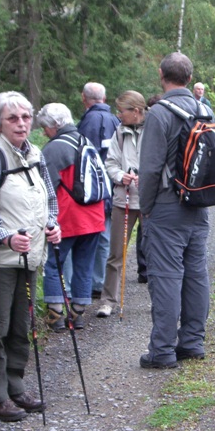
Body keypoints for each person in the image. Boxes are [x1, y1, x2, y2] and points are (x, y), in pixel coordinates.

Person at [0, 91, 61, 422]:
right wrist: (6, 238)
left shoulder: (35, 154)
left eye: (26, 117)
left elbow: (49, 198)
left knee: (21, 325)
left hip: (28, 256)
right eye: (13, 118)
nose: (21, 124)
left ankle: (15, 387)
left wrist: (52, 225)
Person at [138, 52, 211, 368]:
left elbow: (151, 168)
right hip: (199, 204)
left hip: (167, 205)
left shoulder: (159, 113)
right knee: (195, 274)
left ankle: (163, 350)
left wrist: (146, 208)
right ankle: (192, 342)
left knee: (166, 276)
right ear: (190, 79)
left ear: (161, 74)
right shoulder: (204, 110)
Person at [36, 103, 105, 330]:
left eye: (45, 127)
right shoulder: (86, 142)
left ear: (55, 125)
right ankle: (77, 313)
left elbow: (44, 187)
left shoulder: (54, 148)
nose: (44, 132)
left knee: (53, 264)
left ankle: (55, 315)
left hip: (68, 217)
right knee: (84, 265)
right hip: (94, 216)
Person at [96, 91, 146, 317]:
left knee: (156, 253)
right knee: (116, 253)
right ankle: (107, 301)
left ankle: (161, 301)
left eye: (121, 111)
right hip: (123, 199)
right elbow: (111, 162)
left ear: (135, 111)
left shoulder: (153, 128)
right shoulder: (119, 131)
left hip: (149, 199)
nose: (118, 115)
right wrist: (120, 176)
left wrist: (147, 177)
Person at [77, 82, 121, 300]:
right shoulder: (115, 120)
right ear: (104, 98)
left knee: (95, 235)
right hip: (113, 185)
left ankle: (95, 283)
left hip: (92, 188)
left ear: (84, 98)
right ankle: (99, 280)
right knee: (105, 234)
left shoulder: (88, 122)